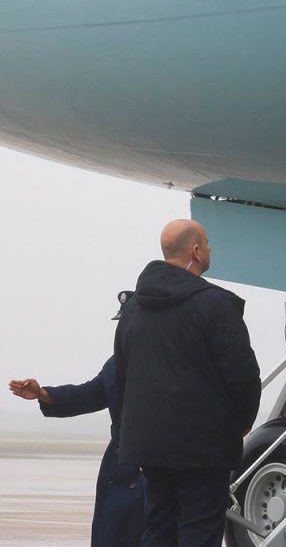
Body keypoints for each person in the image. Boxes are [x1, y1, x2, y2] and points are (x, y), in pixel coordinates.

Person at [114, 219, 261, 547]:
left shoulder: (133, 309)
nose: (210, 249)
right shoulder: (216, 305)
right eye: (207, 243)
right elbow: (242, 375)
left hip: (150, 446)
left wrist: (132, 434)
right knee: (199, 530)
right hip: (204, 448)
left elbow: (122, 378)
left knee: (158, 530)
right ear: (196, 250)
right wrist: (242, 422)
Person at [8, 292, 143, 547]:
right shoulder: (115, 364)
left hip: (155, 465)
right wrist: (43, 393)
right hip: (119, 465)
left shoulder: (167, 363)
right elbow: (88, 394)